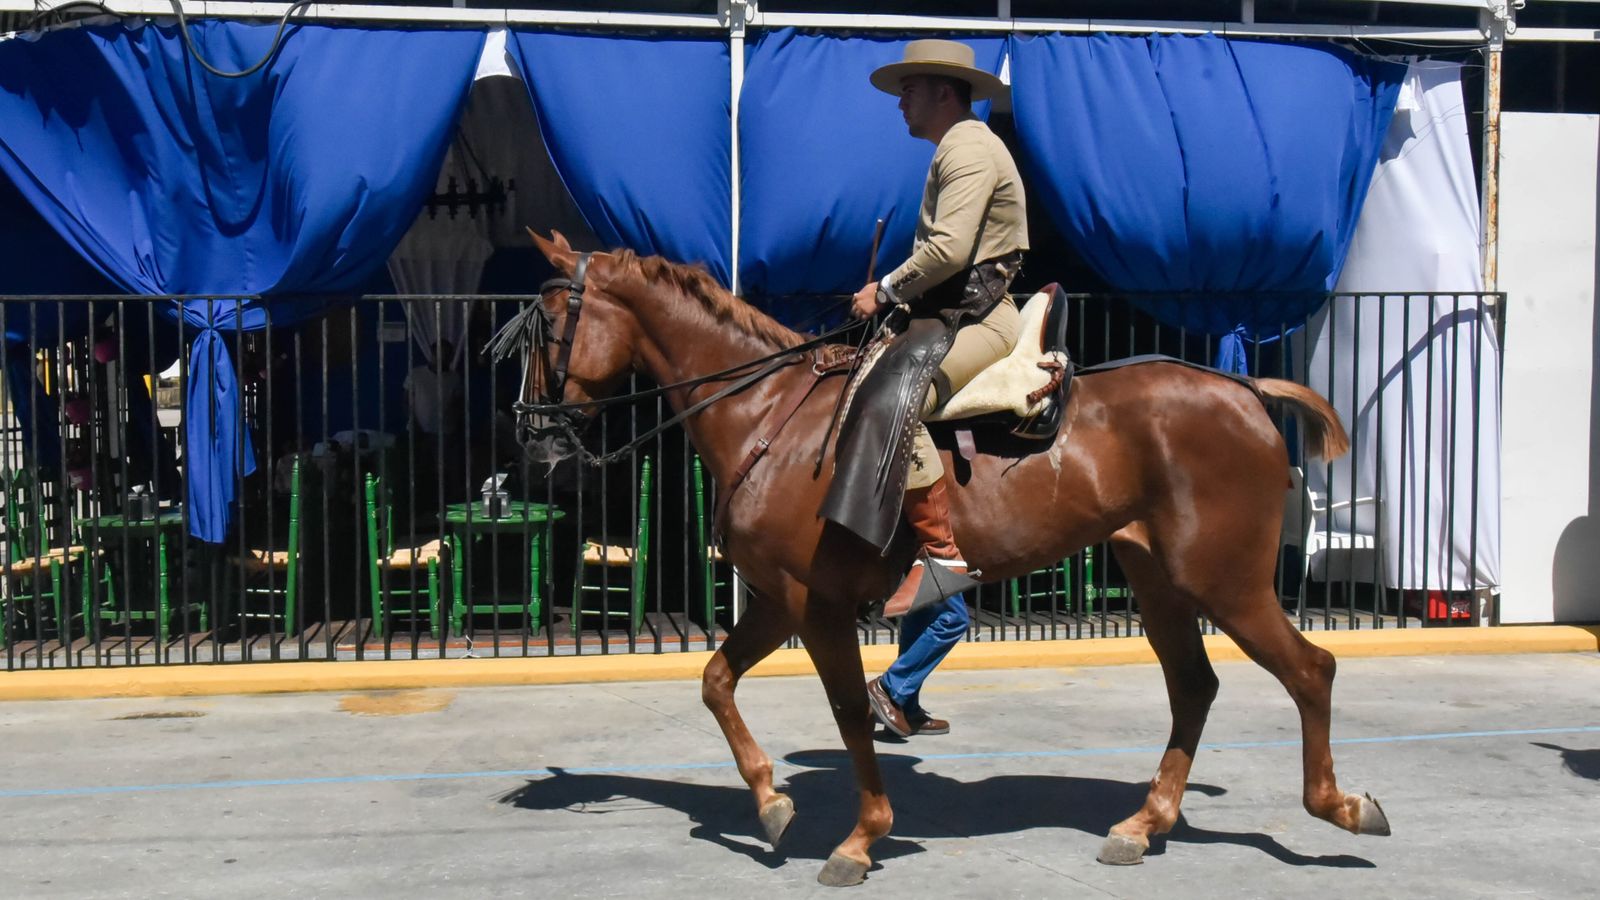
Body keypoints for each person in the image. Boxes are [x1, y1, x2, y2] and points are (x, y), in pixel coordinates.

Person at [837, 39, 1029, 736]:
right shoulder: (957, 146)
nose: (900, 102)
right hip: (953, 315)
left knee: (898, 403)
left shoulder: (968, 148)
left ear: (945, 92)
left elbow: (949, 251)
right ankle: (906, 690)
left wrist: (882, 288)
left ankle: (944, 561)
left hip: (984, 321)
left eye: (909, 88)